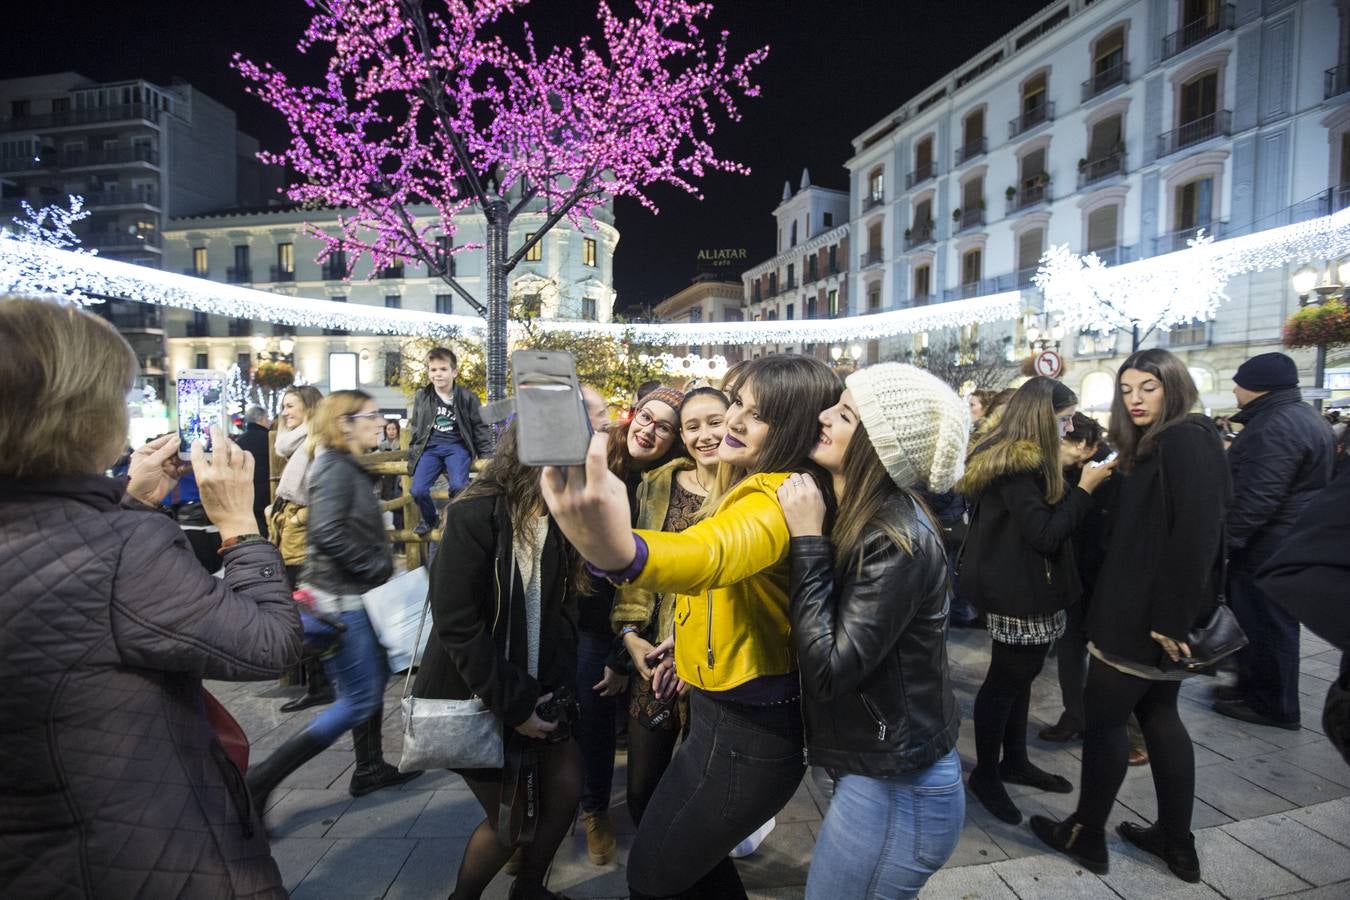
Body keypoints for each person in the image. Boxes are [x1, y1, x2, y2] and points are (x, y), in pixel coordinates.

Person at [0, 296, 301, 897]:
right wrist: (239, 526)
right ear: (82, 414)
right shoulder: (122, 547)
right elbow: (270, 644)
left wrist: (128, 500)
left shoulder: (83, 529)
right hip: (149, 857)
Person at [541, 354, 841, 899]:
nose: (733, 423)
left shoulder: (777, 494)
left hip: (750, 734)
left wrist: (618, 548)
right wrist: (690, 632)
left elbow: (710, 555)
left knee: (652, 876)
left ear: (794, 424)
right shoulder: (741, 479)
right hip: (720, 717)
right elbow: (729, 587)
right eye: (738, 405)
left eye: (757, 414)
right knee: (686, 863)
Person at [1032, 349, 1230, 883]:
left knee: (1105, 723)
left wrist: (1171, 618)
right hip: (1146, 610)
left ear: (1174, 388)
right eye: (1128, 389)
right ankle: (1174, 840)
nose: (1136, 399)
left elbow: (1197, 534)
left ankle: (1086, 832)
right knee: (1161, 716)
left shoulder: (1186, 437)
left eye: (1149, 387)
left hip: (1142, 616)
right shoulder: (1163, 441)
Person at [776, 363, 969, 899]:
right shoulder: (862, 513)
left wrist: (807, 542)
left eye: (844, 414)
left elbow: (829, 670)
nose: (823, 417)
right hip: (882, 774)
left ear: (880, 445)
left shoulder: (893, 536)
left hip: (900, 789)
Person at [413, 417, 595, 900]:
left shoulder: (564, 514)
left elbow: (563, 612)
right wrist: (515, 708)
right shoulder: (477, 512)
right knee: (511, 821)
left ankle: (529, 889)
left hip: (541, 690)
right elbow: (457, 623)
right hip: (478, 692)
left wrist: (554, 697)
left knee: (565, 791)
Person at [247, 390, 422, 812]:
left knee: (372, 683)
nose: (379, 422)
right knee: (357, 699)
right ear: (345, 423)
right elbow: (325, 532)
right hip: (343, 601)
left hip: (352, 597)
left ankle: (369, 767)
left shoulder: (343, 464)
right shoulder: (334, 466)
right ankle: (262, 778)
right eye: (371, 415)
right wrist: (376, 567)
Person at [956, 377, 1116, 825]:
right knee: (1007, 679)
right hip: (1014, 589)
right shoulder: (1015, 465)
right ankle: (986, 774)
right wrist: (1084, 488)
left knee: (1021, 676)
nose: (1068, 429)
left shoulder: (1028, 460)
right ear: (1044, 417)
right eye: (1064, 420)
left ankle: (1015, 761)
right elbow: (1044, 533)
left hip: (1025, 584)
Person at [612, 386, 727, 827]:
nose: (704, 435)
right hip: (654, 661)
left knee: (703, 794)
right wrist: (629, 638)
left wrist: (690, 647)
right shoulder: (657, 484)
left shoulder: (748, 493)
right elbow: (635, 571)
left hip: (714, 668)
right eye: (692, 427)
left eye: (713, 422)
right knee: (643, 790)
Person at [1216, 352, 1335, 730]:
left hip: (1268, 544)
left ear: (1255, 386)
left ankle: (1273, 706)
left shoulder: (1277, 425)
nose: (1234, 388)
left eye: (1238, 381)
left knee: (1267, 624)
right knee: (1259, 622)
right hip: (1285, 538)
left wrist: (1227, 543)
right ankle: (1253, 690)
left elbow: (1258, 496)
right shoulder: (1298, 417)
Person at [267, 384, 334, 712]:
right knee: (300, 607)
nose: (284, 412)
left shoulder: (317, 440)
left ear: (309, 408)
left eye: (290, 405)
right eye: (283, 405)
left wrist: (298, 519)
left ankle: (322, 684)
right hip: (287, 530)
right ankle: (319, 683)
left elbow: (325, 489)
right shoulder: (297, 441)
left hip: (299, 533)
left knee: (303, 608)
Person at [408, 346, 492, 536]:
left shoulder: (467, 397)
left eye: (443, 369)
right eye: (433, 369)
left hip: (457, 447)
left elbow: (480, 427)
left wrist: (486, 456)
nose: (438, 374)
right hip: (430, 448)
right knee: (417, 490)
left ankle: (453, 519)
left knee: (458, 486)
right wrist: (413, 455)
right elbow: (417, 428)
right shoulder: (422, 396)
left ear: (454, 372)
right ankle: (430, 520)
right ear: (428, 372)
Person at [236, 404, 273, 534]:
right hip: (268, 497)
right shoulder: (270, 439)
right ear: (260, 418)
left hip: (246, 496)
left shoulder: (239, 441)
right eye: (267, 417)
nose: (269, 421)